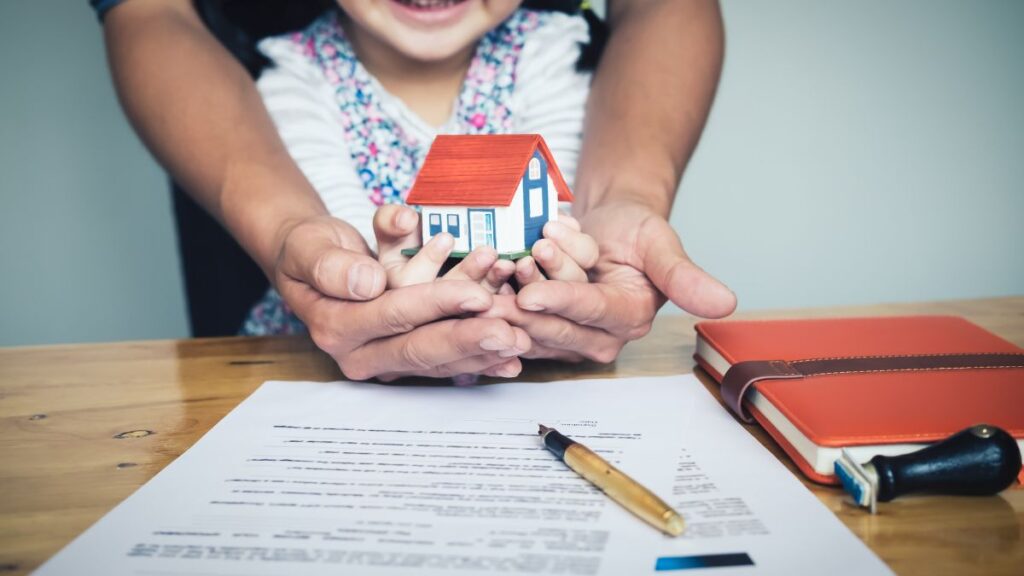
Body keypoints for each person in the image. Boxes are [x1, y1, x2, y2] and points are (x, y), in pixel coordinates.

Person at [94, 0, 737, 380]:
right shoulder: (295, 71)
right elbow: (344, 240)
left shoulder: (549, 49)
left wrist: (575, 253)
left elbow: (563, 221)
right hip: (315, 379)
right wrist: (371, 275)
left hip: (540, 379)